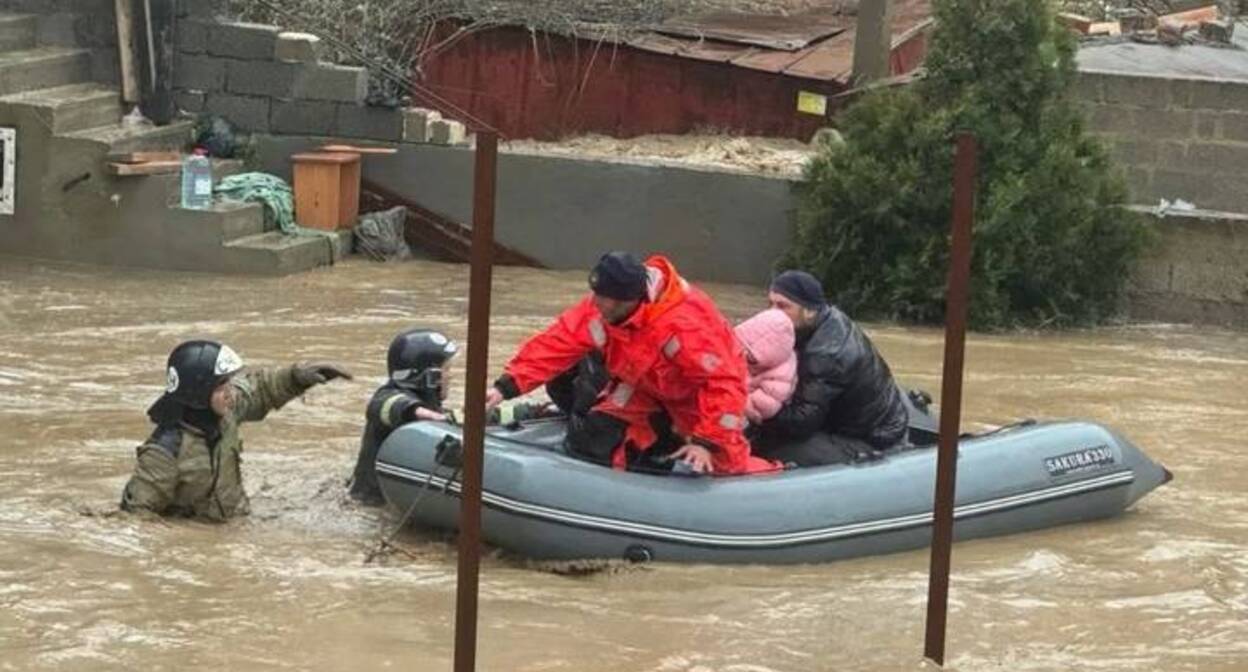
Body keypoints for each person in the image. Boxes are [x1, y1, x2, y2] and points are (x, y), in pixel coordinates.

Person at [485, 251, 777, 475]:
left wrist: (706, 442)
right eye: (596, 295)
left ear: (630, 299)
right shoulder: (604, 305)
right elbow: (559, 341)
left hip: (694, 401)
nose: (596, 303)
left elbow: (724, 382)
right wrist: (505, 386)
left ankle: (775, 472)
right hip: (643, 388)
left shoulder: (685, 325)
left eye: (605, 299)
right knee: (596, 433)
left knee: (724, 467)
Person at [120, 340, 353, 521]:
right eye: (221, 387)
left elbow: (261, 388)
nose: (230, 392)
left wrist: (297, 377)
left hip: (235, 520)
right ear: (198, 393)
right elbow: (138, 518)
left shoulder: (225, 413)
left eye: (229, 383)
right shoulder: (164, 453)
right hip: (206, 539)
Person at [752, 270, 908, 466]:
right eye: (770, 305)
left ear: (809, 311)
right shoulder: (818, 321)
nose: (773, 314)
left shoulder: (827, 354)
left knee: (762, 445)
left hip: (871, 440)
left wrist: (756, 412)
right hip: (848, 420)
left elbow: (803, 421)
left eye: (783, 306)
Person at [348, 328, 458, 506]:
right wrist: (419, 412)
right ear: (430, 376)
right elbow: (382, 405)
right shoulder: (390, 396)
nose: (451, 376)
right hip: (371, 505)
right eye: (446, 369)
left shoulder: (430, 404)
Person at [733, 308, 798, 426]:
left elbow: (765, 407)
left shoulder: (781, 374)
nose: (743, 354)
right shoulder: (738, 348)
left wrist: (735, 398)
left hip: (746, 413)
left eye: (750, 356)